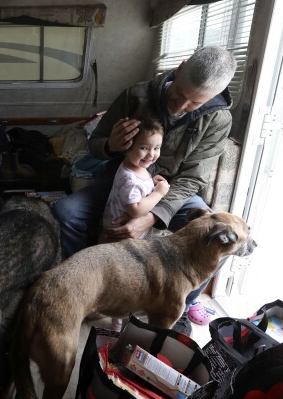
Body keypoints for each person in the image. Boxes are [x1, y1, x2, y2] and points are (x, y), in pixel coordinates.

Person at [53, 46, 237, 336]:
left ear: (211, 97)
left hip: (172, 189)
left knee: (217, 235)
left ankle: (182, 304)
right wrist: (110, 145)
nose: (180, 106)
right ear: (179, 68)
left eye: (193, 104)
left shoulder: (218, 120)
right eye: (178, 95)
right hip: (124, 180)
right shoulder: (135, 96)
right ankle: (87, 290)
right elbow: (96, 143)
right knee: (66, 212)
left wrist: (152, 216)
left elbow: (192, 179)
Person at [98, 117, 169, 331]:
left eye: (156, 148)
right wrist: (159, 192)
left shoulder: (137, 167)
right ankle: (118, 322)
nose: (151, 154)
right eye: (144, 148)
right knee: (121, 281)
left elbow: (141, 188)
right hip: (119, 238)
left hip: (125, 236)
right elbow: (136, 209)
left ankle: (105, 308)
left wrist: (151, 181)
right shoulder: (129, 179)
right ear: (127, 147)